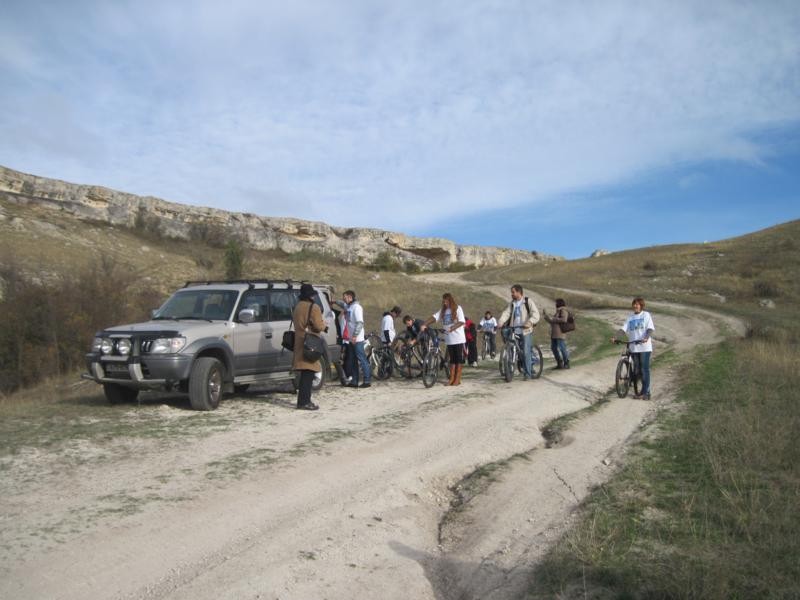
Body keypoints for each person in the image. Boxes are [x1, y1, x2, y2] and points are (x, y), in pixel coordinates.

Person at [612, 297, 655, 400]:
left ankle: (646, 393)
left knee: (644, 370)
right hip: (634, 347)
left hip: (644, 347)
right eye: (634, 304)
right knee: (637, 370)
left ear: (641, 306)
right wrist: (615, 337)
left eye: (637, 304)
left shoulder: (646, 315)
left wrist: (646, 337)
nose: (635, 306)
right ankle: (640, 391)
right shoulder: (630, 317)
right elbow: (623, 329)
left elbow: (650, 328)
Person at [292, 283, 326, 410]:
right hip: (310, 343)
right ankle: (304, 402)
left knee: (305, 373)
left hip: (299, 341)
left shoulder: (298, 306)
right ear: (310, 296)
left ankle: (303, 400)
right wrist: (324, 325)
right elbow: (318, 326)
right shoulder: (314, 307)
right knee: (309, 373)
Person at [496, 284, 540, 379]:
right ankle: (511, 369)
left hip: (526, 330)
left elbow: (536, 314)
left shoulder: (528, 301)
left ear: (519, 292)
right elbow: (506, 313)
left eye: (513, 292)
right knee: (514, 349)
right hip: (514, 329)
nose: (511, 294)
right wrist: (501, 321)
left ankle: (528, 374)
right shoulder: (512, 303)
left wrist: (530, 322)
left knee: (525, 351)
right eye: (511, 292)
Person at [422, 292, 466, 385]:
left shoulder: (458, 308)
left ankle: (457, 379)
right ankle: (451, 379)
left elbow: (462, 321)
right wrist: (425, 324)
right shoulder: (443, 310)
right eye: (444, 301)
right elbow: (434, 317)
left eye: (446, 301)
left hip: (458, 338)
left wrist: (452, 328)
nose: (445, 303)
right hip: (449, 339)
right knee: (452, 359)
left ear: (450, 300)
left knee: (458, 359)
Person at [335, 290, 371, 388]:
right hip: (351, 339)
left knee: (361, 358)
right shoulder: (349, 306)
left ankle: (367, 380)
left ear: (350, 297)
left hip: (357, 339)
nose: (343, 299)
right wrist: (334, 302)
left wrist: (355, 335)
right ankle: (354, 381)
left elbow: (360, 323)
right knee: (353, 360)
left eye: (345, 297)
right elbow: (342, 304)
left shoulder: (357, 307)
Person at [543, 298, 570, 369]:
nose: (555, 304)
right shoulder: (558, 311)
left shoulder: (563, 310)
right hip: (554, 333)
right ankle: (559, 363)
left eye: (556, 303)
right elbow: (553, 322)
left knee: (562, 348)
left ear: (560, 303)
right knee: (553, 348)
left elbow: (564, 319)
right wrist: (546, 318)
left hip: (560, 333)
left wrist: (554, 319)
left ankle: (566, 363)